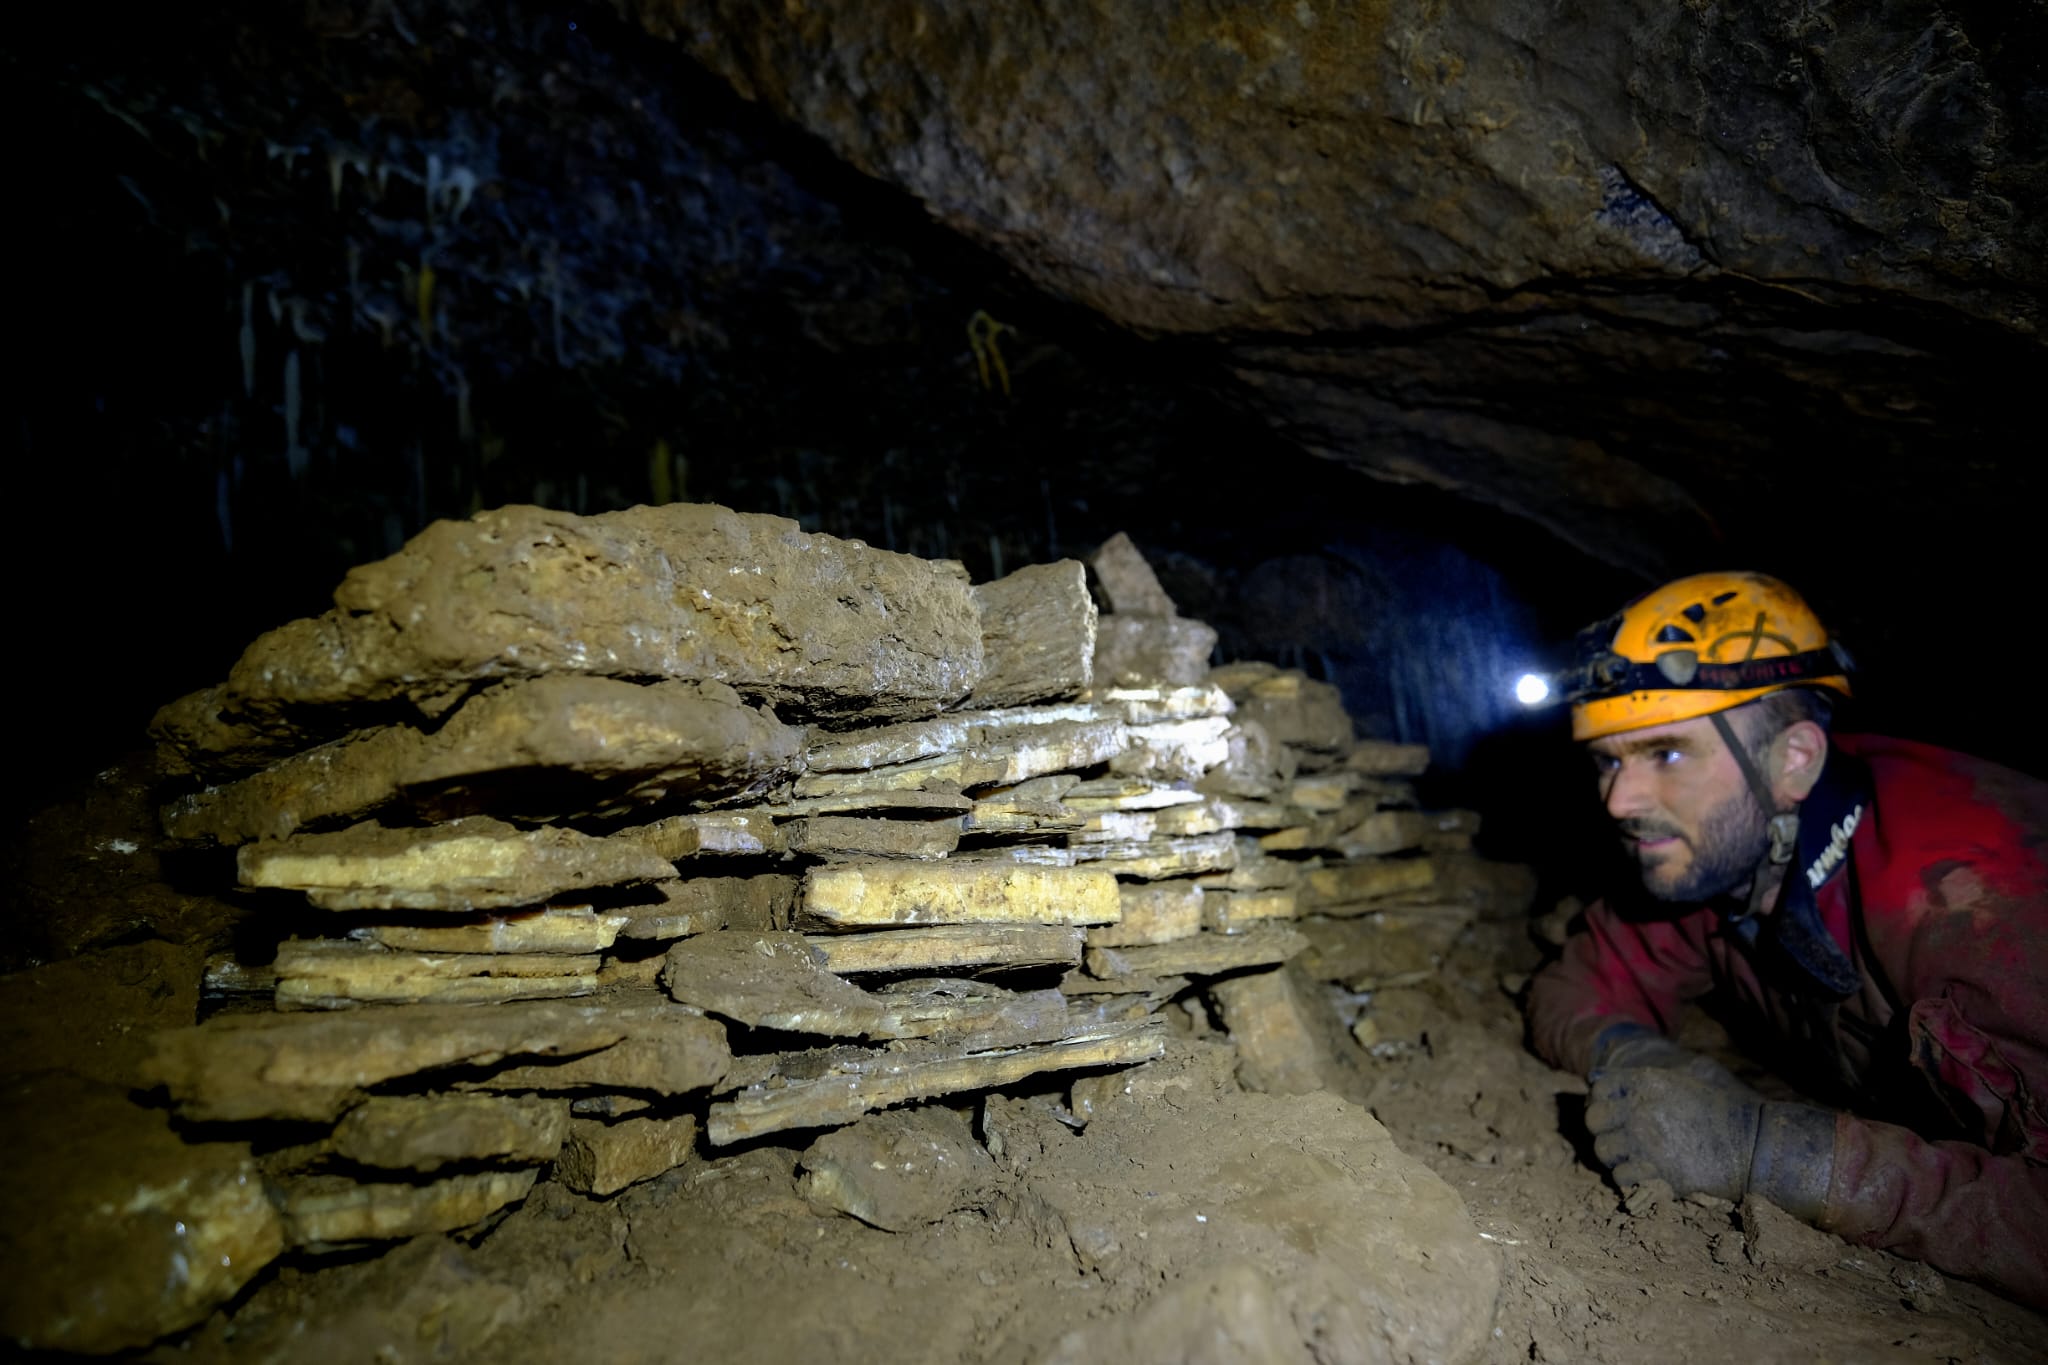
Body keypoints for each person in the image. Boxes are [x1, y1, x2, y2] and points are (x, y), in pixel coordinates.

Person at [1523, 571, 2048, 1307]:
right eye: (1608, 759)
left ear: (1794, 758)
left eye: (1666, 754)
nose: (1619, 800)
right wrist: (1643, 1055)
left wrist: (1776, 1157)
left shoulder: (1973, 906)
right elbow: (1576, 987)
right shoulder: (1720, 858)